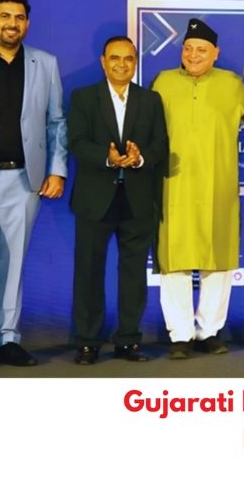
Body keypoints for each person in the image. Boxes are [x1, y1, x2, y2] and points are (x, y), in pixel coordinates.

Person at [0, 0, 68, 377]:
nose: (12, 24)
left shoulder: (45, 64)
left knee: (15, 262)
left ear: (27, 23)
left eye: (19, 17)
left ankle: (7, 339)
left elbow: (56, 121)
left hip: (24, 181)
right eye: (4, 16)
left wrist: (57, 170)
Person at [152, 18, 244, 360]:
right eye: (189, 48)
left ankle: (209, 330)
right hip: (172, 186)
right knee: (174, 261)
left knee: (218, 261)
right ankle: (180, 334)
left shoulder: (232, 84)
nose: (194, 55)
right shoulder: (163, 82)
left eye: (202, 50)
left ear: (216, 53)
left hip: (218, 187)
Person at [66, 36, 167, 365]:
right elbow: (76, 142)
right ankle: (87, 342)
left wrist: (139, 158)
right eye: (115, 58)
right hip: (95, 199)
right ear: (103, 61)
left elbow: (160, 146)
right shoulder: (84, 98)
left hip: (138, 199)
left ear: (135, 62)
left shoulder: (150, 100)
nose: (122, 64)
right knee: (89, 272)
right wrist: (107, 158)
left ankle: (128, 341)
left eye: (128, 58)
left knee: (134, 274)